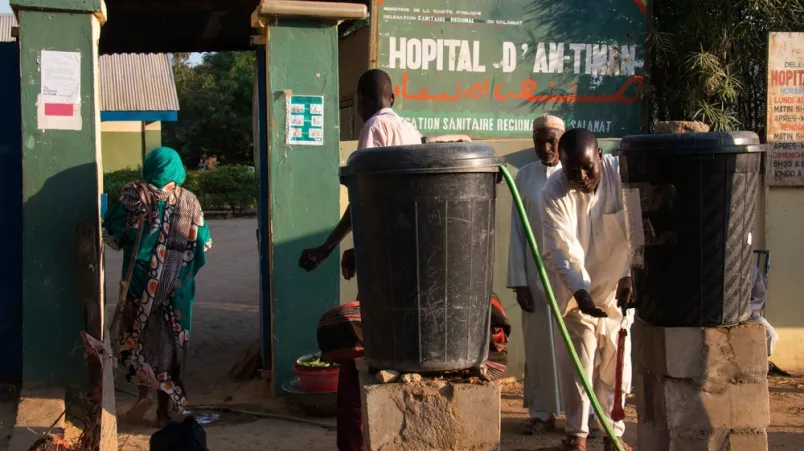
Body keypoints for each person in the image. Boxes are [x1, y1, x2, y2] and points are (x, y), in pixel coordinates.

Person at [318, 250, 512, 451]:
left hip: (451, 320)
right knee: (350, 349)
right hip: (405, 312)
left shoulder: (467, 299)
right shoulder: (382, 288)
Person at [103, 147, 212, 426]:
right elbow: (202, 244)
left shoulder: (133, 198)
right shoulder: (190, 201)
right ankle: (165, 410)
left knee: (137, 339)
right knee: (170, 346)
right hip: (176, 291)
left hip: (139, 287)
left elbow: (113, 237)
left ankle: (144, 394)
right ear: (177, 169)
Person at [539, 129, 634, 451]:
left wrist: (631, 274)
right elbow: (561, 249)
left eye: (587, 168)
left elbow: (637, 228)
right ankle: (576, 437)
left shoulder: (622, 176)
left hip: (617, 291)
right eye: (572, 170)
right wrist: (580, 293)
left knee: (616, 367)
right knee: (578, 365)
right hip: (575, 293)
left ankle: (612, 436)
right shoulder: (553, 191)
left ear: (601, 157)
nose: (581, 177)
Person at [297, 69, 422, 272]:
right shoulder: (411, 130)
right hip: (411, 239)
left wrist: (327, 248)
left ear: (361, 101)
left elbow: (363, 197)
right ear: (392, 99)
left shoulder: (374, 127)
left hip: (385, 245)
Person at [507, 115, 565, 435]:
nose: (546, 147)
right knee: (539, 348)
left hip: (569, 280)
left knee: (575, 348)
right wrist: (519, 282)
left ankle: (581, 418)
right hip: (534, 277)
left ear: (562, 141)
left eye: (552, 141)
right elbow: (517, 231)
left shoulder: (575, 173)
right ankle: (542, 413)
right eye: (540, 141)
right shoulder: (525, 176)